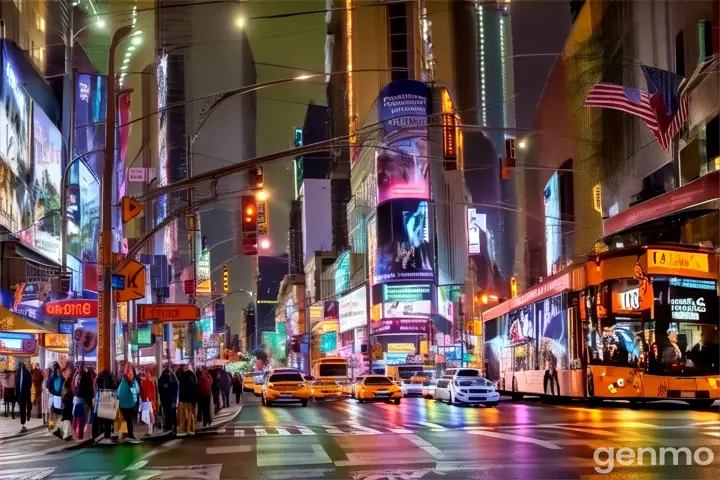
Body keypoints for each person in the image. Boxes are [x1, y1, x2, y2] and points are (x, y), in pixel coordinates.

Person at [117, 365, 141, 443]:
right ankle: (129, 435)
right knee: (129, 420)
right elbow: (136, 391)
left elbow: (137, 391)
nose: (131, 374)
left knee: (129, 420)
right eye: (129, 372)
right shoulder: (126, 381)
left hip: (128, 405)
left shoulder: (131, 381)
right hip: (128, 405)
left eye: (131, 372)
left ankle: (129, 435)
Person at [92, 368, 116, 443]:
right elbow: (115, 390)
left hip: (100, 400)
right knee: (108, 420)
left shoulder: (98, 378)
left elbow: (96, 391)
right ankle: (107, 436)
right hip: (109, 399)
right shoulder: (111, 377)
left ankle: (95, 436)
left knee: (96, 419)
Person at [72, 365, 94, 440]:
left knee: (82, 417)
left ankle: (82, 434)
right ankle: (83, 434)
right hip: (83, 398)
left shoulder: (83, 376)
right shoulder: (80, 375)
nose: (79, 369)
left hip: (83, 399)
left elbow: (77, 388)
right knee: (83, 417)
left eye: (80, 367)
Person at [53, 367, 74, 441]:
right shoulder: (67, 381)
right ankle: (63, 432)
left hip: (67, 401)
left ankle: (65, 432)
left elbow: (68, 392)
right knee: (65, 417)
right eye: (64, 372)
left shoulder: (69, 381)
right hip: (66, 401)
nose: (64, 374)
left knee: (66, 417)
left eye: (65, 372)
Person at [177, 365, 197, 437]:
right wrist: (194, 398)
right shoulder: (192, 375)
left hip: (182, 399)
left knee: (182, 415)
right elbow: (195, 387)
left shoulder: (181, 377)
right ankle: (191, 428)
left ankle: (183, 428)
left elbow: (179, 389)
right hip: (190, 399)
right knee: (190, 414)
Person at [158, 366, 179, 435]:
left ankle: (170, 428)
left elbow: (160, 390)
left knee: (169, 414)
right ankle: (171, 428)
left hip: (167, 400)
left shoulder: (165, 379)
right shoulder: (172, 378)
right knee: (170, 414)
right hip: (168, 400)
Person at [15, 362, 32, 433]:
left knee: (28, 405)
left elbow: (30, 382)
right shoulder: (17, 373)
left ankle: (28, 414)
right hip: (21, 393)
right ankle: (23, 423)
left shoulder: (27, 372)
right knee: (22, 408)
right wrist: (17, 394)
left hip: (26, 392)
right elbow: (16, 383)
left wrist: (28, 389)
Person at [139, 371, 157, 436]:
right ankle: (150, 430)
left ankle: (149, 431)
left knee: (148, 416)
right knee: (149, 415)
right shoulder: (151, 381)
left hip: (147, 401)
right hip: (149, 401)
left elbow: (144, 391)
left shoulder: (146, 382)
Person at [47, 362, 63, 431]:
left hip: (56, 396)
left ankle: (55, 425)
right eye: (56, 368)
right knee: (53, 410)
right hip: (54, 396)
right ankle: (53, 425)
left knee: (56, 411)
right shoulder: (53, 376)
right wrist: (54, 393)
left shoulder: (60, 377)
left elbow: (48, 386)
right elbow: (48, 386)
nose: (57, 370)